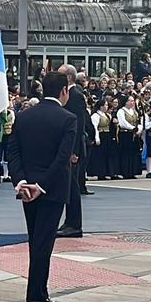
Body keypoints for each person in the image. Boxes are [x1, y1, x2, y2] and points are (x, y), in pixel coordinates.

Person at [8, 71, 76, 302]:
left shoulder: (24, 116)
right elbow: (62, 159)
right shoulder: (68, 119)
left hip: (27, 189)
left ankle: (37, 291)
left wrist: (21, 181)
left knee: (34, 240)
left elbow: (13, 152)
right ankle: (37, 295)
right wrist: (43, 186)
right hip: (51, 190)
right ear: (64, 90)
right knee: (43, 243)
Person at [57, 65, 86, 238]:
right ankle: (69, 221)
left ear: (68, 77)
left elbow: (78, 124)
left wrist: (74, 151)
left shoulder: (76, 96)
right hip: (69, 148)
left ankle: (74, 224)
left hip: (73, 149)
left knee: (73, 187)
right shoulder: (69, 94)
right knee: (69, 186)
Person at [117, 96, 143, 179]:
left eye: (133, 101)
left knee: (133, 154)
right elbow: (122, 123)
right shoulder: (121, 111)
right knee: (125, 154)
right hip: (125, 134)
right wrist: (132, 128)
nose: (133, 102)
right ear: (126, 102)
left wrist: (139, 129)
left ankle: (132, 171)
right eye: (131, 101)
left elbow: (139, 121)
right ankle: (125, 172)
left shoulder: (134, 111)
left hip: (134, 135)